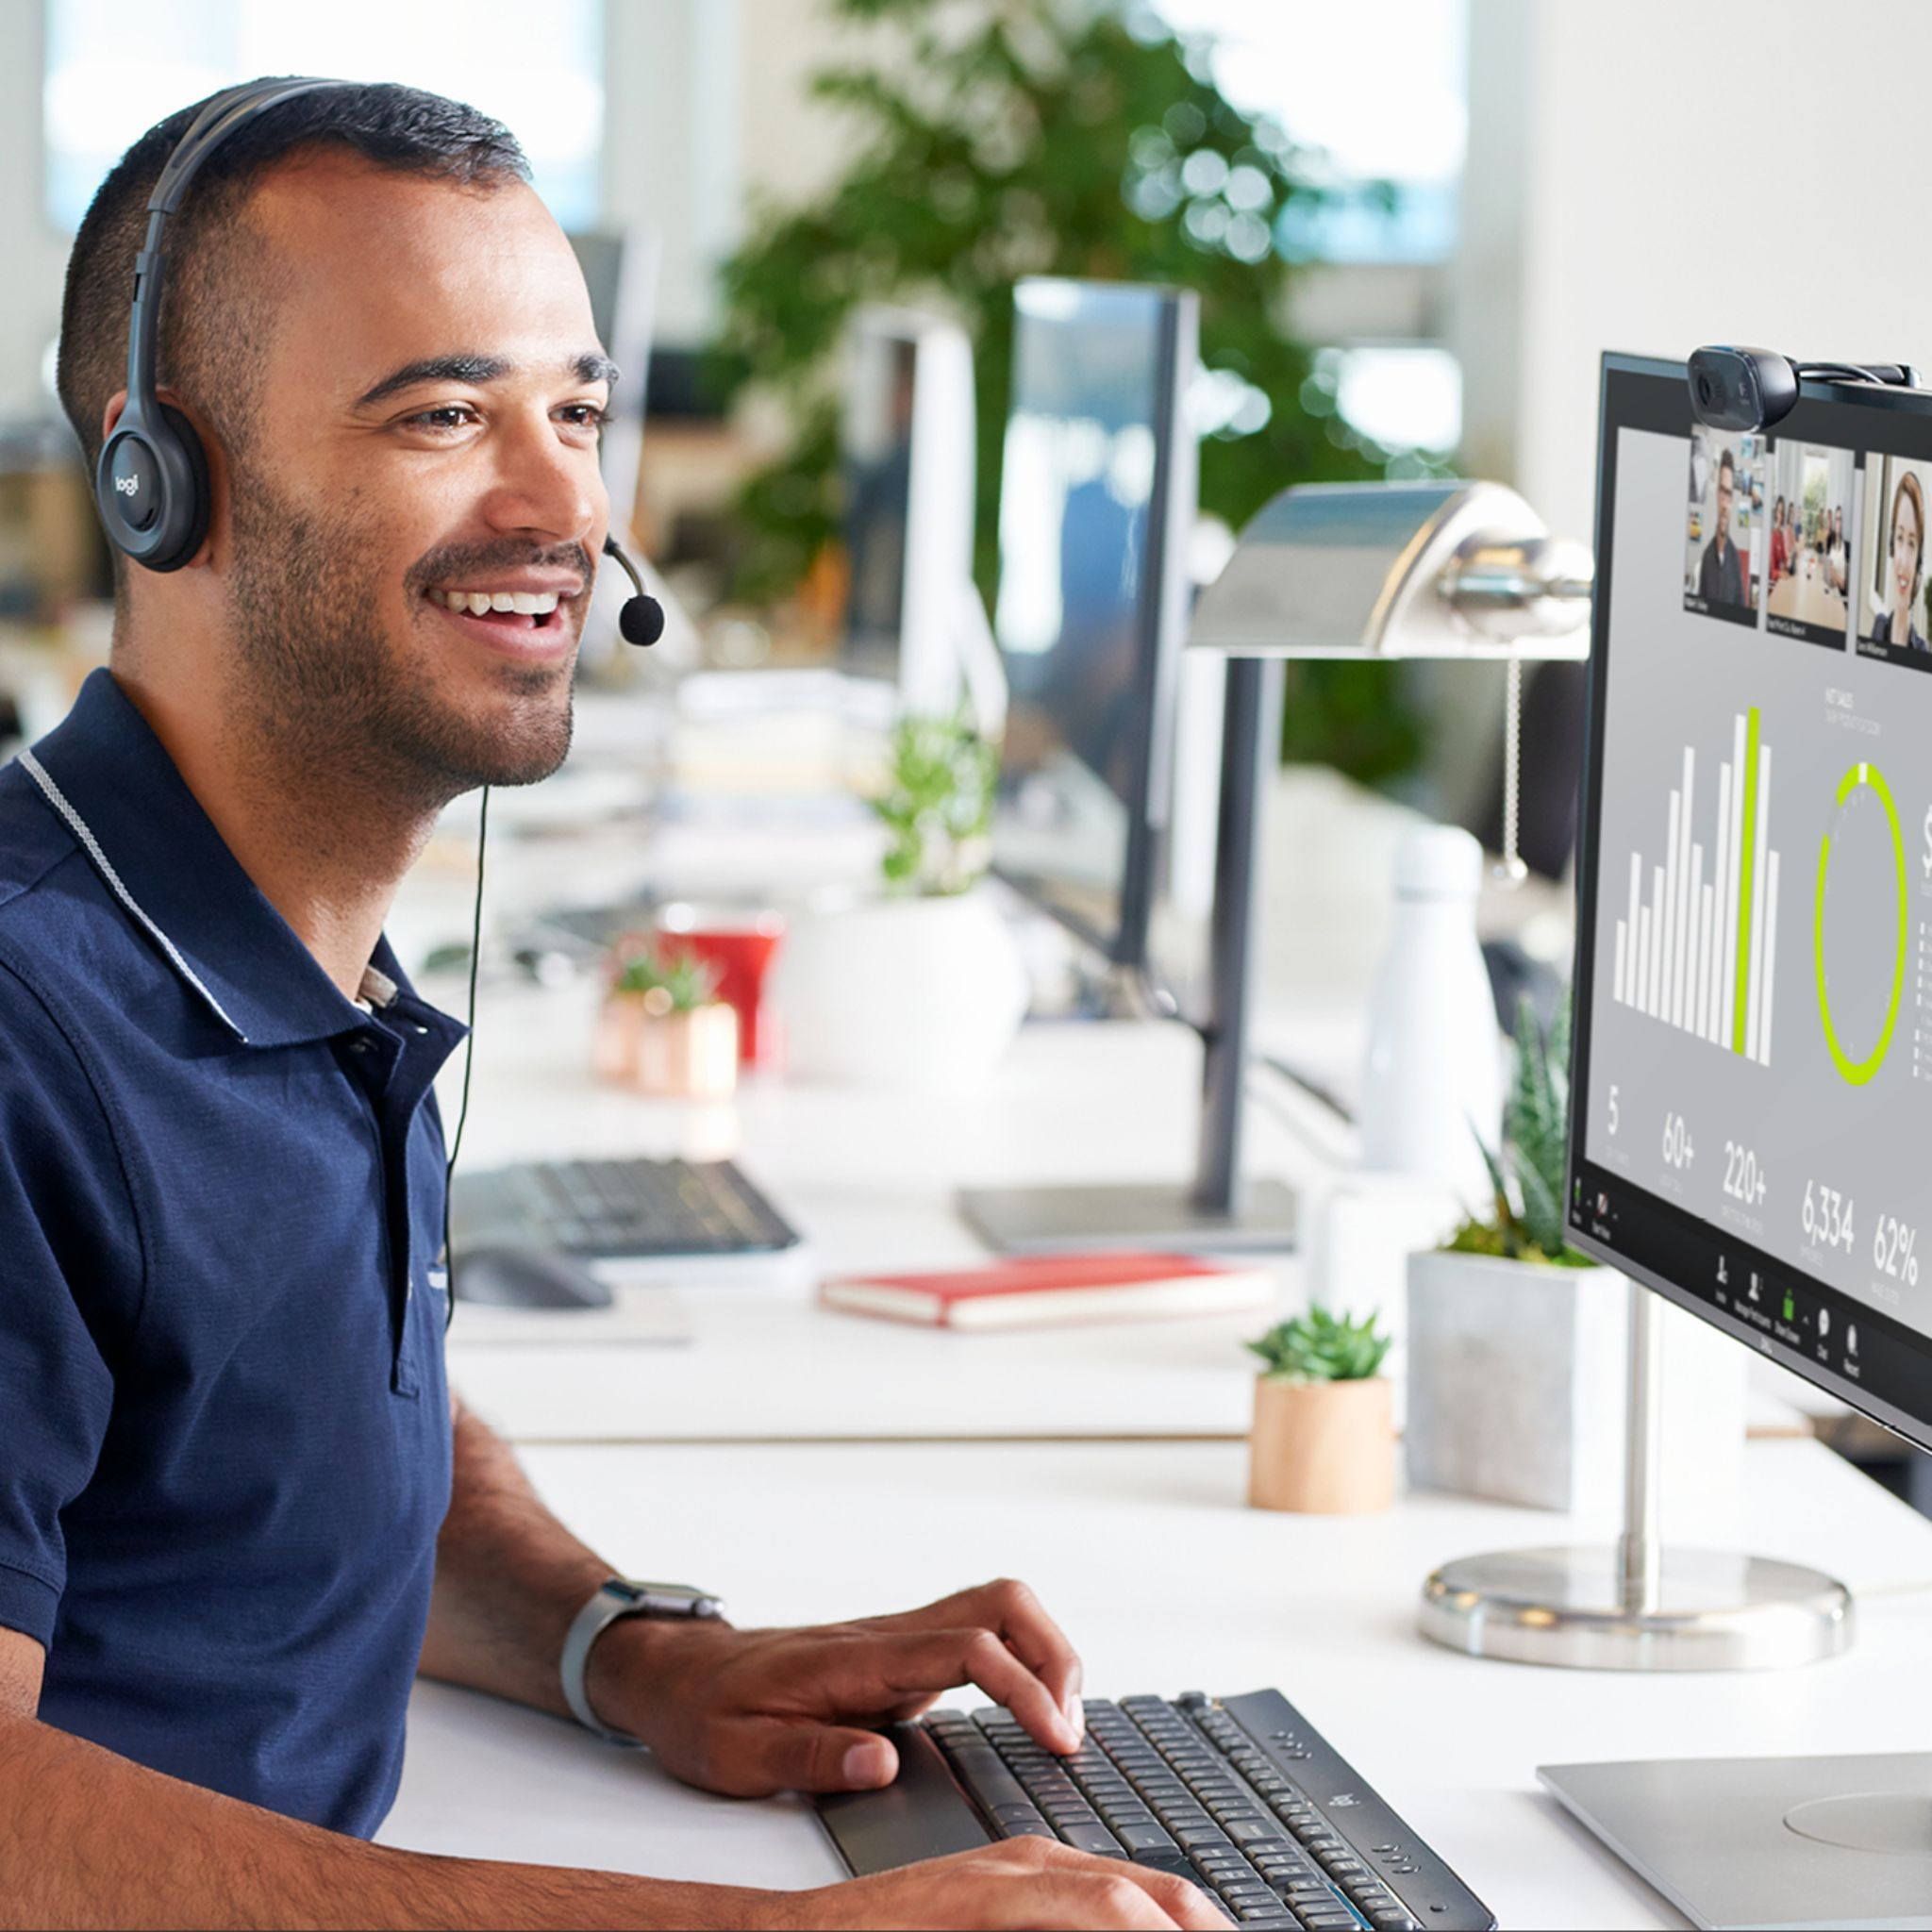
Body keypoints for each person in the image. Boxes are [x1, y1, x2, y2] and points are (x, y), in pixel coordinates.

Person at [0, 84, 1223, 1932]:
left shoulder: (296, 946)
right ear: (156, 478)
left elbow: (292, 1445)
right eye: (442, 413)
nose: (566, 501)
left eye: (576, 409)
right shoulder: (30, 1030)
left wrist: (630, 1653)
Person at [1870, 472, 1927, 650]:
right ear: (1892, 546)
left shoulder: (1922, 652)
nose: (1902, 560)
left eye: (1911, 543)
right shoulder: (1878, 628)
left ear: (1918, 560)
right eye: (1900, 538)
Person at [1697, 448, 1749, 606]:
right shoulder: (1706, 557)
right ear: (1716, 494)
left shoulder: (1736, 560)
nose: (1725, 504)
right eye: (1722, 492)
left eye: (1729, 495)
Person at [1768, 495, 1789, 586]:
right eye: (1779, 511)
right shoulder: (1773, 536)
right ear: (1776, 513)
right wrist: (1781, 573)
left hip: (1781, 580)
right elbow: (1772, 572)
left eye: (1782, 512)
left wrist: (1786, 563)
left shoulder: (1780, 534)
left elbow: (1784, 557)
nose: (1781, 515)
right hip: (1773, 583)